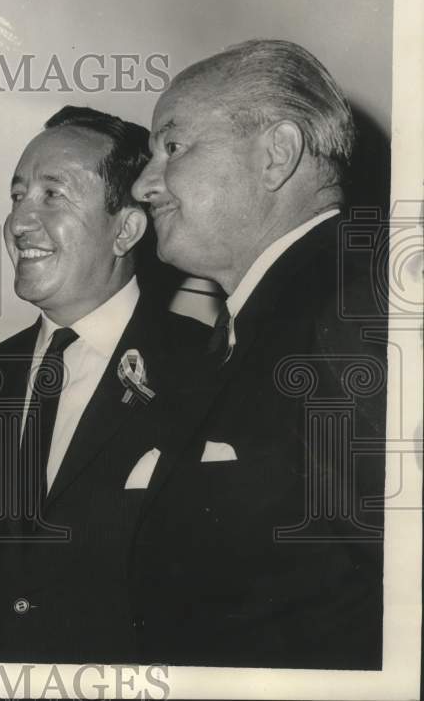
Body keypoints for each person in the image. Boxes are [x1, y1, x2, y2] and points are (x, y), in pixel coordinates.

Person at [129, 39, 387, 669]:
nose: (143, 184)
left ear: (276, 155)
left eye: (173, 146)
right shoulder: (259, 320)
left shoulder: (360, 304)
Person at [0, 106, 208, 663]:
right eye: (18, 196)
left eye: (52, 195)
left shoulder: (205, 369)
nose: (19, 222)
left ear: (126, 228)